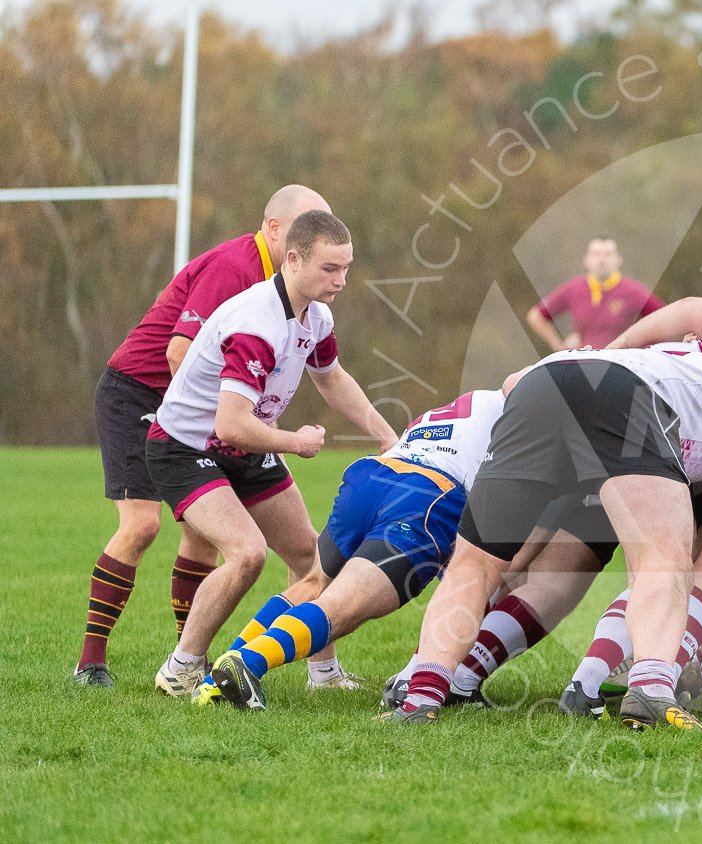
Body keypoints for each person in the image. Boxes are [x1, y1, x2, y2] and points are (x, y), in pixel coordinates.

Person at [381, 328, 702, 730]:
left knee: (476, 562)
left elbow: (516, 381)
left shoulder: (678, 358)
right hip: (625, 396)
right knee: (664, 558)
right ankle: (651, 690)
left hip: (542, 382)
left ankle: (421, 694)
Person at [76, 185, 330, 687]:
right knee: (142, 526)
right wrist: (226, 427)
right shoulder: (236, 268)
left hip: (202, 413)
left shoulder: (290, 288)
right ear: (274, 229)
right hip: (139, 394)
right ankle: (91, 661)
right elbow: (178, 354)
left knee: (206, 534)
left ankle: (188, 660)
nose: (315, 236)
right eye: (306, 225)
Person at [147, 210, 397, 698]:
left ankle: (324, 675)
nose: (341, 280)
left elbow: (331, 378)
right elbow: (230, 424)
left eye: (346, 268)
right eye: (330, 268)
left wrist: (386, 435)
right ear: (294, 259)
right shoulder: (256, 322)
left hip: (242, 447)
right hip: (184, 448)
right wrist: (295, 442)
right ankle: (180, 670)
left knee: (313, 557)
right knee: (247, 554)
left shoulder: (316, 316)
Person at [206, 391, 505, 711]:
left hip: (371, 475)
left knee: (314, 584)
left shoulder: (479, 399)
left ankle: (217, 678)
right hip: (427, 495)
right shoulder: (525, 416)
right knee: (343, 607)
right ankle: (248, 663)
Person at [525, 238, 663, 350]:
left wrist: (641, 342)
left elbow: (665, 317)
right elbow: (536, 316)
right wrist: (558, 345)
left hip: (621, 365)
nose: (602, 260)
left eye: (608, 254)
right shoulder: (574, 288)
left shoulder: (633, 291)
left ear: (618, 260)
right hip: (584, 365)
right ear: (586, 260)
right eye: (596, 254)